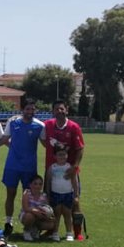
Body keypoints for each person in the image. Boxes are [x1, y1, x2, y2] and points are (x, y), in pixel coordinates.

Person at [0, 99, 46, 237]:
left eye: (32, 109)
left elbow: (45, 143)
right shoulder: (13, 122)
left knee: (30, 196)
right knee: (11, 194)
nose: (30, 112)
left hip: (29, 167)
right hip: (12, 165)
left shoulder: (39, 125)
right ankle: (8, 222)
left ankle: (30, 225)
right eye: (27, 109)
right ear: (22, 110)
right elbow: (4, 139)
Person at [43, 100, 85, 237]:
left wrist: (75, 166)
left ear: (66, 110)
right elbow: (43, 140)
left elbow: (80, 148)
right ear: (53, 111)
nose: (59, 111)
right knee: (51, 201)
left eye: (62, 109)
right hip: (52, 170)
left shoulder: (74, 127)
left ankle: (77, 231)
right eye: (56, 109)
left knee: (75, 201)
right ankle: (51, 230)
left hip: (69, 171)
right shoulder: (48, 125)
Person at [46, 145, 78, 242]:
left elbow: (74, 181)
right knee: (57, 214)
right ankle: (55, 233)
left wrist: (76, 195)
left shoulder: (69, 167)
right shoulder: (52, 168)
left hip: (68, 194)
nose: (62, 157)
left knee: (67, 214)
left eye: (64, 154)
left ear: (67, 155)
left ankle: (69, 233)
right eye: (59, 155)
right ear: (55, 156)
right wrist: (48, 194)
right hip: (55, 194)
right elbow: (48, 181)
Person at [20, 174, 55, 242]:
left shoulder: (44, 196)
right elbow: (25, 208)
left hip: (39, 217)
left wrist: (47, 215)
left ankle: (35, 230)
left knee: (52, 224)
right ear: (30, 185)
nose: (37, 186)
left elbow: (47, 207)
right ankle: (26, 231)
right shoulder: (27, 193)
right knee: (30, 216)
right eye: (35, 184)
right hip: (26, 215)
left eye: (40, 184)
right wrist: (35, 211)